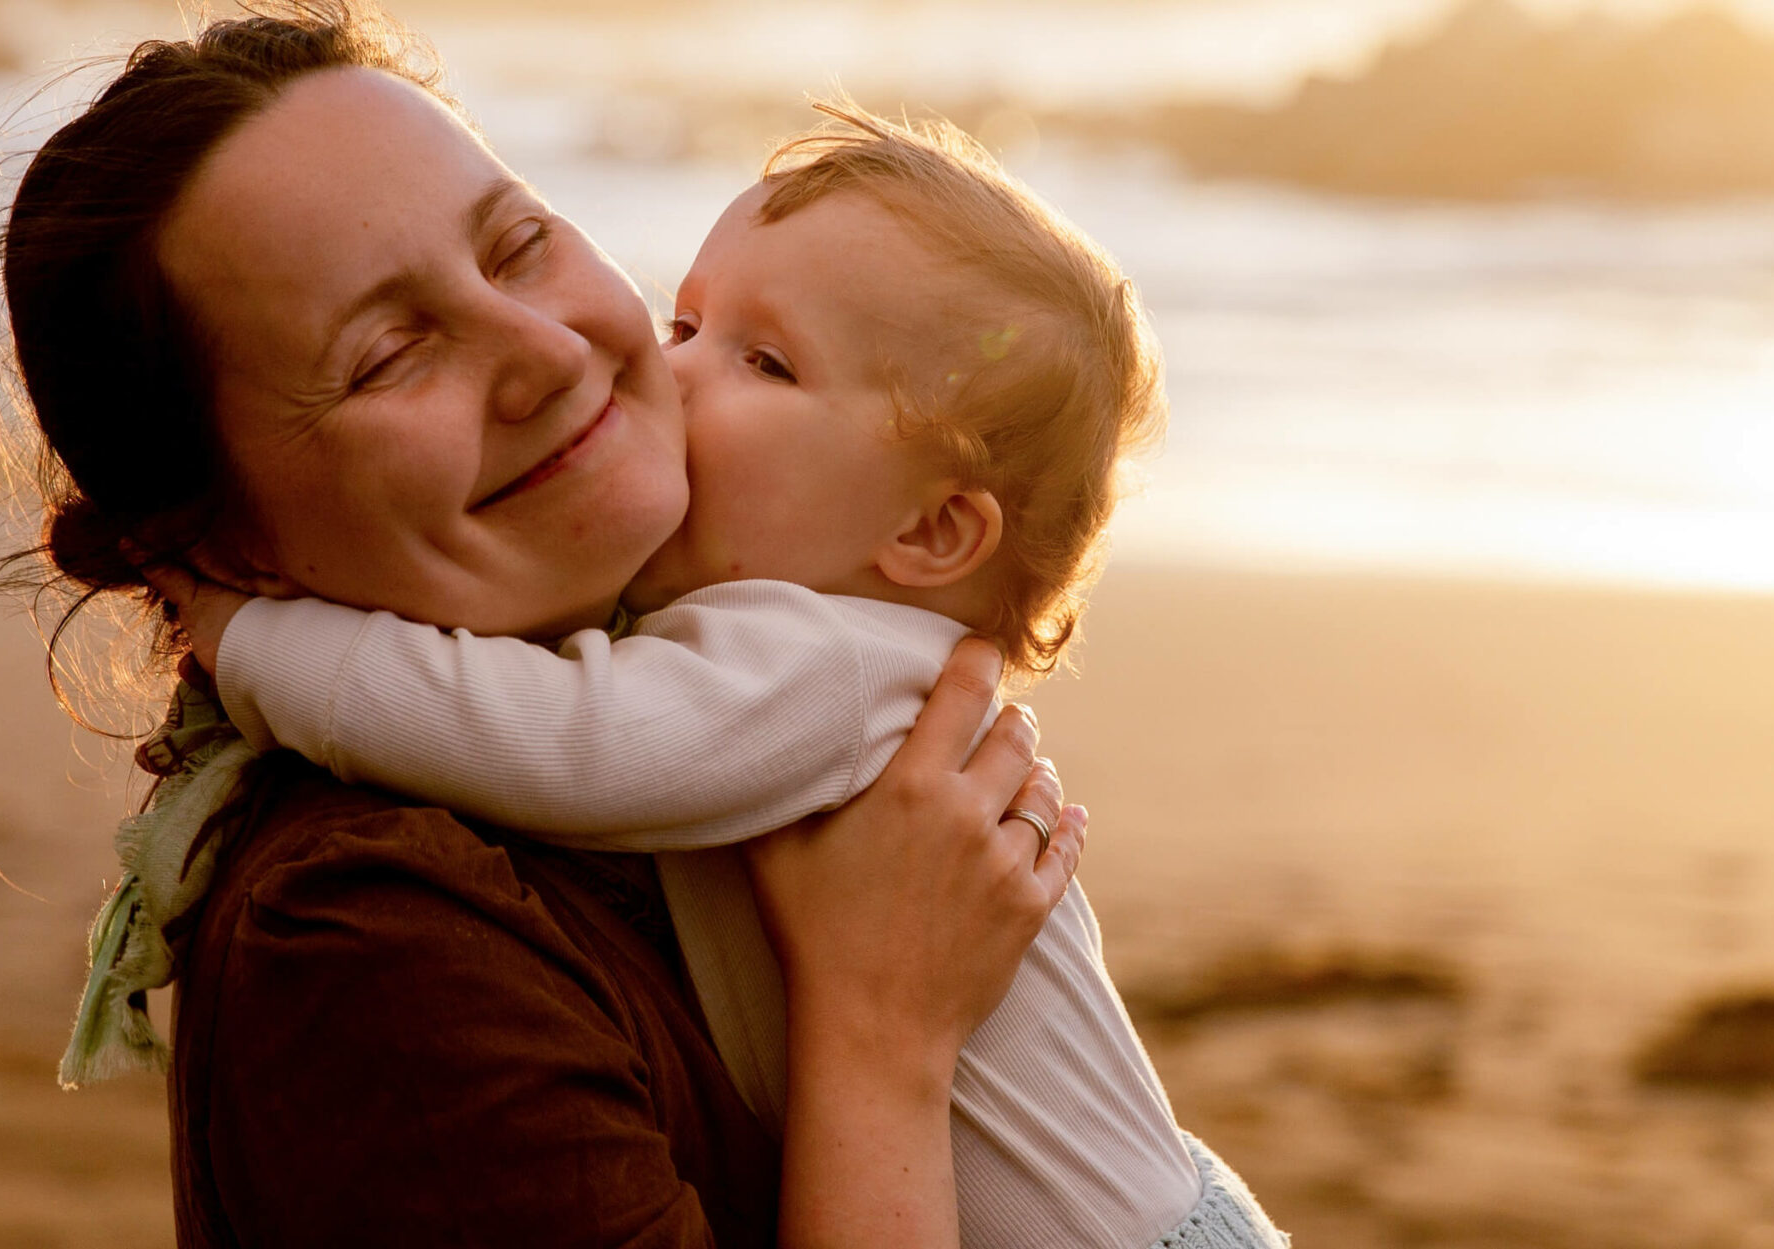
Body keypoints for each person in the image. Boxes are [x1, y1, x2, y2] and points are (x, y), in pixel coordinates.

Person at [0, 4, 1091, 1245]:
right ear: (218, 550)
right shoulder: (369, 940)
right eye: (388, 352)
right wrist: (880, 1044)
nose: (546, 351)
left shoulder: (726, 703)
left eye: (515, 247)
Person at [156, 104, 1289, 1248]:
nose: (667, 367)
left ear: (933, 531)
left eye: (765, 360)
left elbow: (563, 742)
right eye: (687, 320)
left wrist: (254, 639)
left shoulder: (827, 665)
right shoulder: (806, 661)